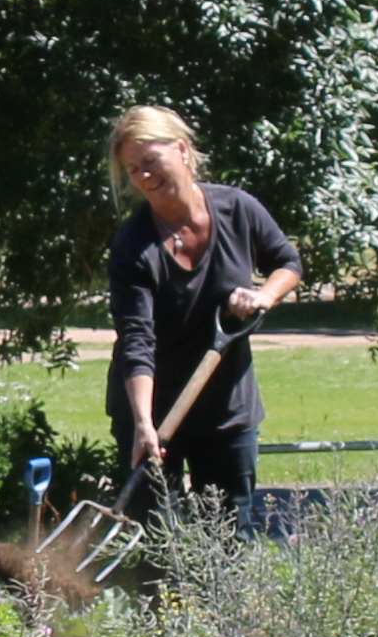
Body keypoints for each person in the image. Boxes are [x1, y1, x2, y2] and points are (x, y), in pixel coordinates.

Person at [103, 104, 300, 507]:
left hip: (226, 406)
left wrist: (264, 296)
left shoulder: (238, 209)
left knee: (231, 531)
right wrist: (144, 424)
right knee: (156, 540)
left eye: (151, 161)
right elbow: (137, 341)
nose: (144, 175)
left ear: (182, 149)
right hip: (151, 409)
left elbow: (287, 262)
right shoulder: (133, 245)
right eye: (133, 169)